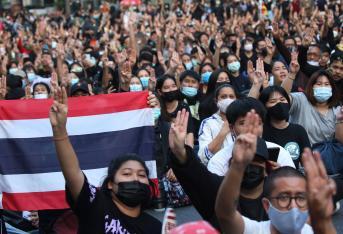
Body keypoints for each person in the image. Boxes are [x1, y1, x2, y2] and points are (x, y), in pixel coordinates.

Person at [49, 87, 161, 233]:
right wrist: (59, 130)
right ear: (109, 184)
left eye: (141, 175)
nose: (135, 179)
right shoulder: (95, 205)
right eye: (127, 174)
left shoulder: (155, 227)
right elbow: (73, 173)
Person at [215, 111, 336, 234]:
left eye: (301, 198)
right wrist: (238, 165)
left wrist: (323, 220)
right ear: (267, 205)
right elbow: (225, 213)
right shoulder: (254, 230)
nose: (293, 207)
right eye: (283, 197)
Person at [282, 69, 342, 145]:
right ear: (312, 86)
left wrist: (340, 120)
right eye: (319, 84)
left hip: (323, 155)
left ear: (332, 88)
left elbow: (339, 142)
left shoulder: (337, 110)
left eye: (327, 84)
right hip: (299, 153)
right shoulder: (300, 99)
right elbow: (282, 97)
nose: (323, 87)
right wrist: (291, 74)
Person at [259, 86, 311, 169]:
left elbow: (309, 164)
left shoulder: (299, 130)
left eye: (282, 99)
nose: (279, 104)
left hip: (295, 178)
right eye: (273, 101)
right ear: (264, 107)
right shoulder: (261, 132)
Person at [198, 84, 239, 165]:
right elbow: (203, 157)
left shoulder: (242, 121)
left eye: (231, 96)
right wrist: (223, 132)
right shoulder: (208, 123)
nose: (228, 100)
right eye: (224, 97)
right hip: (216, 172)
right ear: (216, 101)